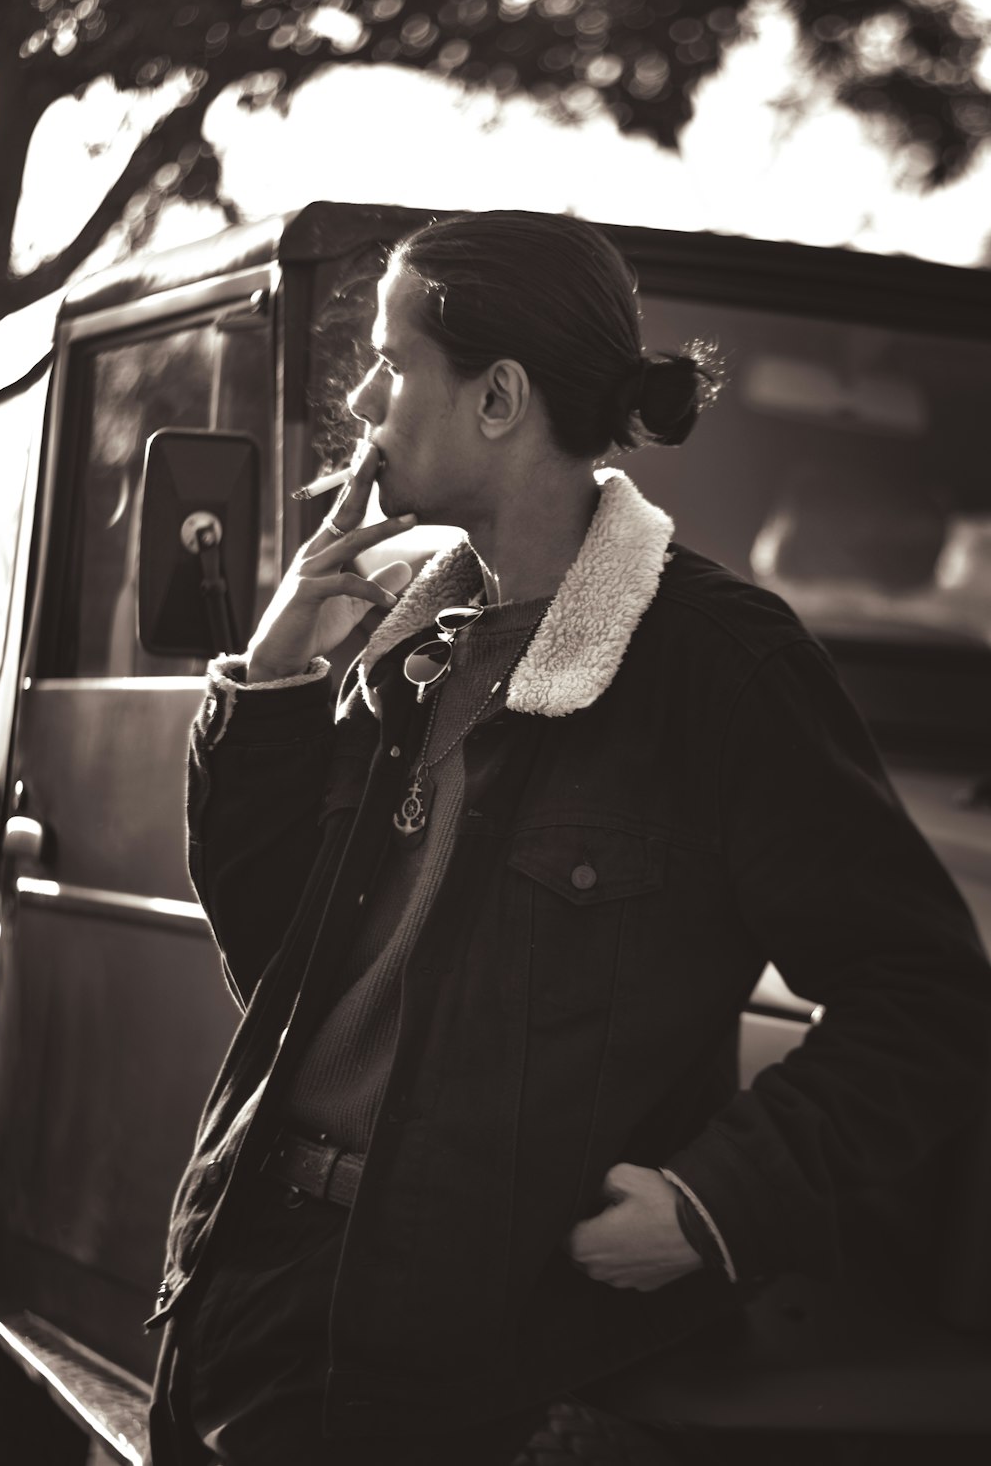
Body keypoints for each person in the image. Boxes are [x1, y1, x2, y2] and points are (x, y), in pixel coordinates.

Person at [146, 211, 991, 1466]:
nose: (363, 396)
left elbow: (925, 993)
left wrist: (718, 1206)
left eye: (390, 360)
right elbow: (275, 951)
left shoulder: (721, 663)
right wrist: (270, 676)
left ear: (497, 398)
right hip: (256, 1290)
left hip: (482, 1370)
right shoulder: (409, 648)